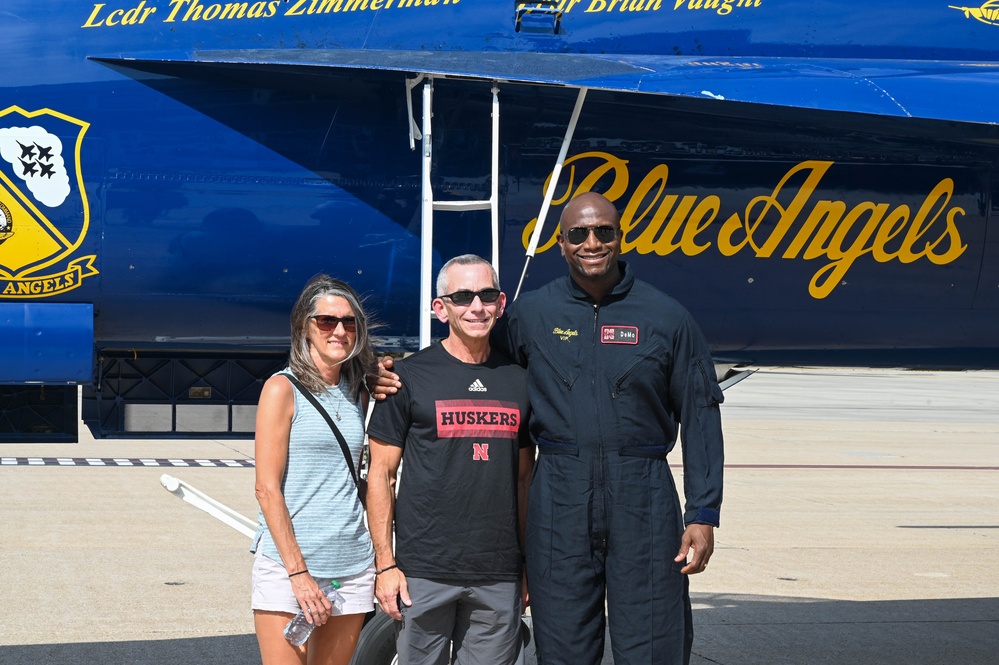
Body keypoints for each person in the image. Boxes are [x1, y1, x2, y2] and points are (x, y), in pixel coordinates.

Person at [375, 192, 725, 665]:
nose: (592, 242)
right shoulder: (531, 315)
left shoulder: (666, 318)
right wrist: (389, 374)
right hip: (559, 496)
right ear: (561, 245)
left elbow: (701, 416)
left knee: (653, 644)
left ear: (621, 238)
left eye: (604, 232)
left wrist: (702, 513)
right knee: (563, 645)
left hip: (643, 496)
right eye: (578, 234)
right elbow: (467, 351)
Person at [366, 254, 534, 665]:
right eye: (462, 296)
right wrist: (385, 565)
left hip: (498, 572)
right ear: (440, 308)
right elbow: (382, 475)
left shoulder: (522, 380)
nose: (476, 307)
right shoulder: (406, 377)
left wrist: (527, 565)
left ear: (501, 302)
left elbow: (524, 481)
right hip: (423, 571)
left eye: (486, 295)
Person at [251, 274, 378, 665]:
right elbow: (266, 489)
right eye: (326, 321)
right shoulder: (281, 389)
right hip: (289, 566)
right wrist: (298, 574)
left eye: (349, 321)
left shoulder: (361, 390)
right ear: (303, 328)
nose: (339, 330)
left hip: (353, 566)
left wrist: (381, 373)